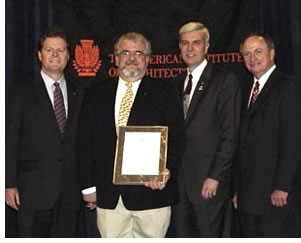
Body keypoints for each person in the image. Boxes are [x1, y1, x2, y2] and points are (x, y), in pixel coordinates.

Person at [77, 32, 184, 238]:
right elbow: (84, 142)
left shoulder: (165, 91)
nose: (132, 58)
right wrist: (87, 186)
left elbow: (177, 137)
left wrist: (166, 170)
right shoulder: (96, 93)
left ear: (148, 60)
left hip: (152, 193)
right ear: (116, 58)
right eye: (125, 52)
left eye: (138, 53)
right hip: (109, 195)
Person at [5, 26, 83, 237]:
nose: (55, 55)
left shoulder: (79, 92)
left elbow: (83, 143)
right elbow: (9, 140)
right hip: (32, 189)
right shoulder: (20, 91)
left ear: (68, 55)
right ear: (40, 55)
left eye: (61, 50)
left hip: (69, 191)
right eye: (49, 50)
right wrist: (8, 183)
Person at [171, 22, 241, 237]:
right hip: (179, 185)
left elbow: (230, 135)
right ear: (179, 48)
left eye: (196, 43)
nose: (190, 48)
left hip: (208, 183)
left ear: (207, 47)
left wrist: (215, 176)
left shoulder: (224, 81)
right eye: (185, 43)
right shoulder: (175, 83)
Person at [234, 32, 301, 237]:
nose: (252, 58)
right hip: (249, 199)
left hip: (277, 197)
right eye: (246, 54)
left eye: (258, 51)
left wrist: (283, 186)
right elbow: (243, 145)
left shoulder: (291, 87)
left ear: (272, 53)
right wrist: (239, 190)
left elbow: (295, 141)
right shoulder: (246, 90)